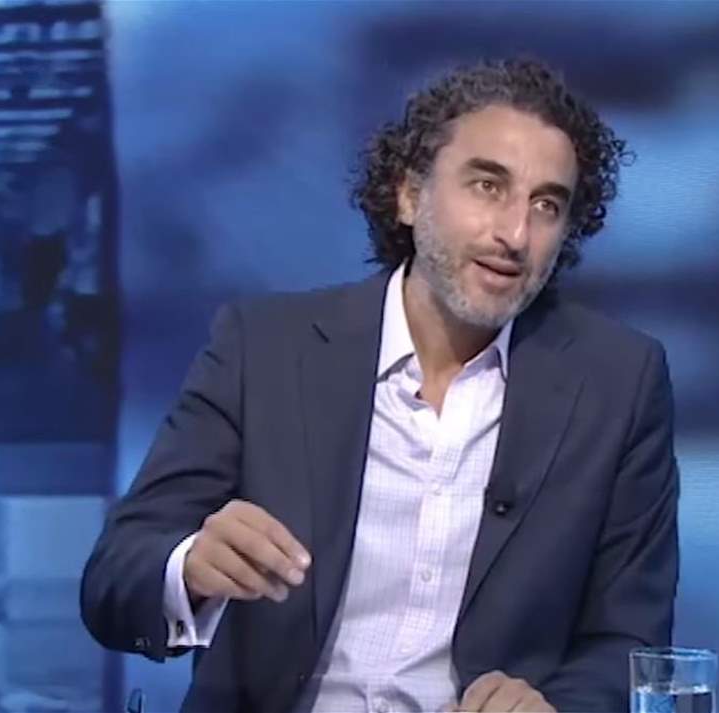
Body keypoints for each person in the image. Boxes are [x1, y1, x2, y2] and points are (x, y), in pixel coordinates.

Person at [81, 58, 679, 713]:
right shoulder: (264, 349)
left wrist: (551, 708)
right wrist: (190, 566)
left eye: (546, 205)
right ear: (409, 194)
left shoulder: (618, 382)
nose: (515, 234)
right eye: (487, 186)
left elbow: (629, 640)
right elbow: (115, 576)